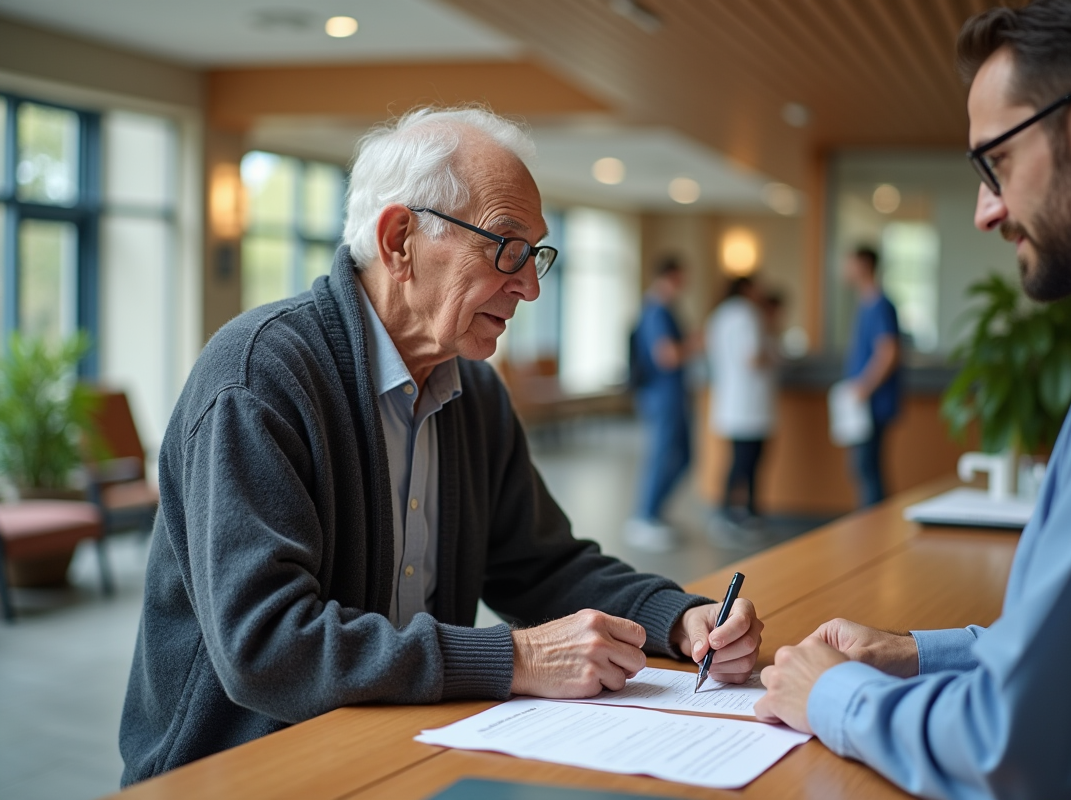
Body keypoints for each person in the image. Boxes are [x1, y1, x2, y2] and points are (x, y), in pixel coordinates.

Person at [119, 108, 763, 785]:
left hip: (399, 743)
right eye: (506, 246)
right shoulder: (260, 379)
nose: (530, 286)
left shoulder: (475, 393)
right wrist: (514, 659)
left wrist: (681, 618)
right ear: (400, 240)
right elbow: (268, 647)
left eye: (536, 253)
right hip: (237, 772)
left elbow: (541, 566)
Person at [754, 1, 1071, 798]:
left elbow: (1015, 753)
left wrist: (830, 694)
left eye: (994, 163)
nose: (986, 210)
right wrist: (916, 654)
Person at [625, 256, 693, 552]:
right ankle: (644, 517)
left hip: (670, 393)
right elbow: (668, 356)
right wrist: (698, 343)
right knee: (663, 455)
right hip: (661, 394)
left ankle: (654, 513)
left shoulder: (662, 310)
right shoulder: (657, 311)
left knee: (684, 455)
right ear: (671, 276)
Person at [704, 276, 778, 546]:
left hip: (732, 402)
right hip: (749, 404)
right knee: (746, 462)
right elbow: (753, 357)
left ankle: (738, 513)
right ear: (747, 288)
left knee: (739, 460)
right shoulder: (747, 314)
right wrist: (775, 356)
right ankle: (735, 514)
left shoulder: (720, 315)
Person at [842, 246, 902, 508]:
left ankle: (873, 530)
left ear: (864, 265)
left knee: (867, 467)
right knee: (863, 467)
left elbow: (888, 352)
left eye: (850, 263)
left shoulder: (880, 305)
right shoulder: (865, 303)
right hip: (863, 403)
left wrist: (864, 387)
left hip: (873, 403)